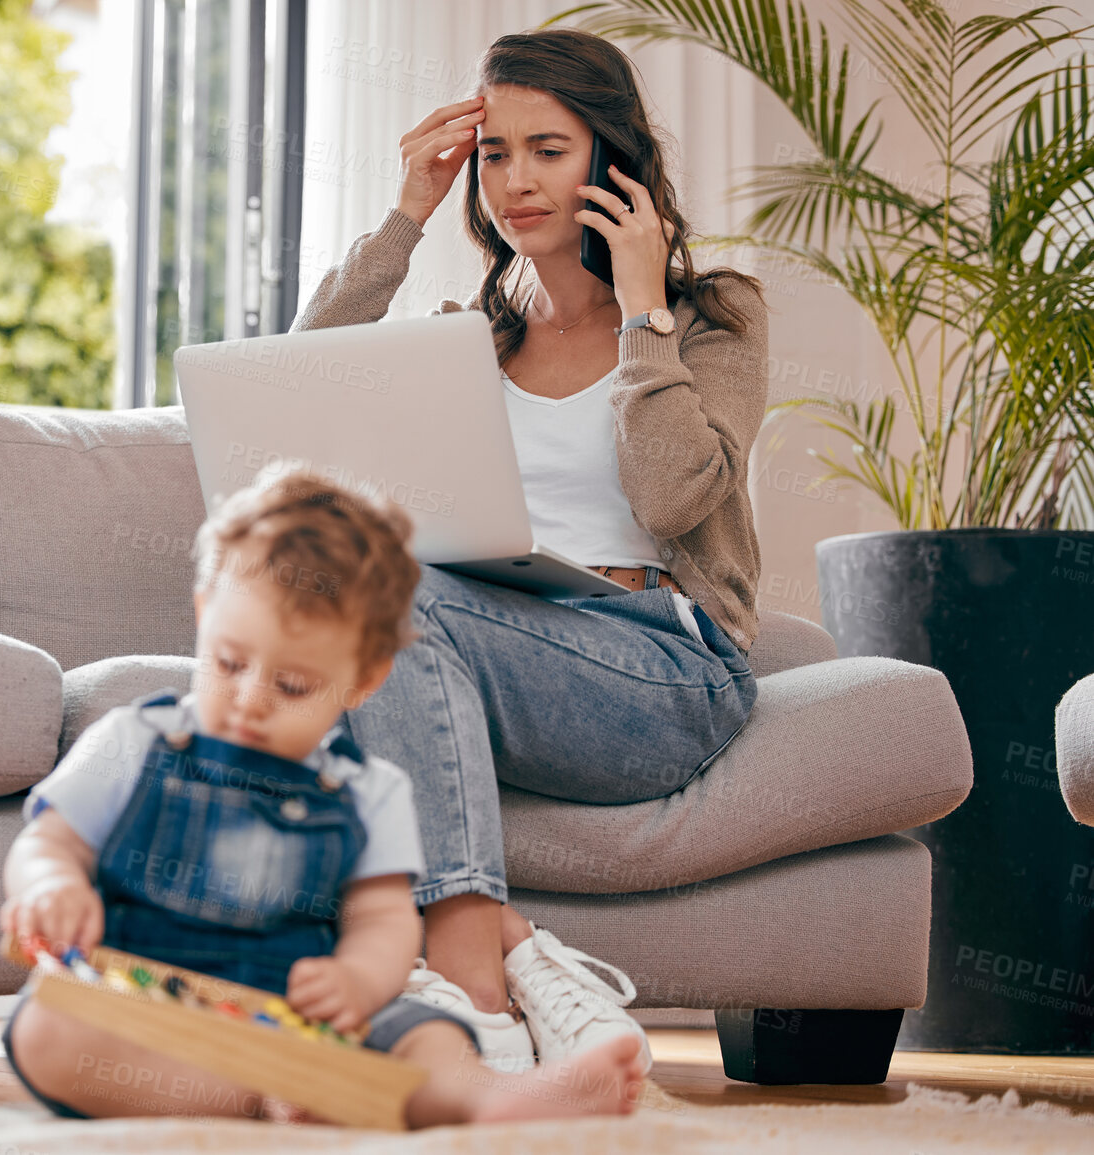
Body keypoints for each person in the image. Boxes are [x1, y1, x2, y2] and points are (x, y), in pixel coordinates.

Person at [293, 27, 767, 1074]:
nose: (515, 181)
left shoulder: (711, 320)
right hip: (493, 644)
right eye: (495, 152)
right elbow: (299, 388)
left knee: (386, 603)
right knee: (348, 597)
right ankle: (502, 971)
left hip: (667, 670)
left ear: (612, 159)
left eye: (547, 149)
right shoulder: (473, 334)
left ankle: (464, 978)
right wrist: (405, 215)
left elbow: (672, 491)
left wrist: (645, 310)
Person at [0, 471, 646, 1128]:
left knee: (423, 1029)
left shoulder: (368, 791)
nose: (250, 700)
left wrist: (358, 980)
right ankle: (263, 1095)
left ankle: (490, 1096)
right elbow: (50, 840)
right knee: (45, 1029)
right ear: (203, 617)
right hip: (146, 1008)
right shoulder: (134, 740)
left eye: (292, 683)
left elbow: (383, 921)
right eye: (228, 662)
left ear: (363, 680)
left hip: (302, 1018)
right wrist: (50, 884)